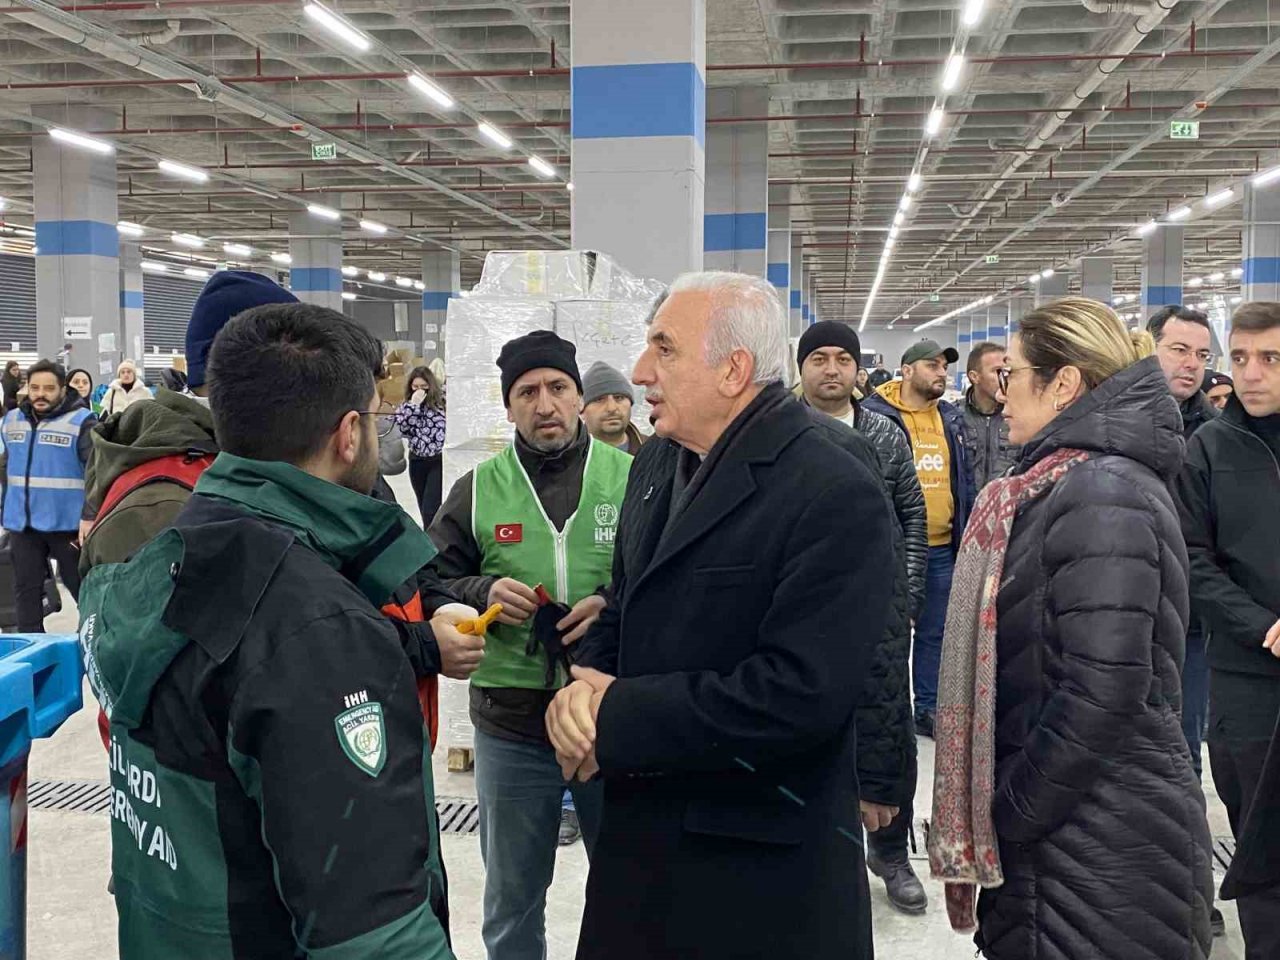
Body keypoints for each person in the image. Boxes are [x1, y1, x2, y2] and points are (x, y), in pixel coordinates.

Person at [77, 303, 457, 959]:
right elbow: (372, 934)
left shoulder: (162, 565)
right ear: (347, 435)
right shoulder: (312, 628)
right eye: (371, 416)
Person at [550, 272, 894, 960]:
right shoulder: (657, 465)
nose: (642, 371)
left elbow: (802, 692)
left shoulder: (830, 484)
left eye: (665, 349)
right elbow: (628, 596)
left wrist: (617, 718)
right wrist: (582, 692)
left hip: (754, 868)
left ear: (734, 370)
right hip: (643, 844)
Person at [929, 296, 1212, 960]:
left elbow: (1102, 691)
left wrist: (1013, 816)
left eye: (1013, 376)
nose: (1000, 398)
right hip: (1084, 827)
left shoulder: (1100, 490)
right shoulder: (1061, 484)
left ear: (1064, 384)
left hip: (1100, 840)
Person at [427, 329, 631, 960]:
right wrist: (482, 588)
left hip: (612, 719)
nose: (545, 404)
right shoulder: (480, 487)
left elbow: (673, 580)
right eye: (527, 392)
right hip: (511, 727)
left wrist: (613, 605)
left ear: (578, 396)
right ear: (507, 405)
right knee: (513, 901)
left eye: (557, 388)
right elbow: (427, 580)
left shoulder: (634, 477)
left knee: (629, 893)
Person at [796, 320, 928, 914]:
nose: (831, 369)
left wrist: (906, 595)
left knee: (887, 729)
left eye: (842, 359)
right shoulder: (782, 433)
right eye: (818, 358)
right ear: (801, 369)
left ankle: (891, 851)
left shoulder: (885, 434)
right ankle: (827, 852)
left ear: (857, 369)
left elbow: (912, 518)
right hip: (805, 614)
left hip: (881, 611)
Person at [1176, 300, 1280, 959]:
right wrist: (1264, 627)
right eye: (1238, 358)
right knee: (1262, 848)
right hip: (1247, 684)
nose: (1251, 373)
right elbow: (1190, 560)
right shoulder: (1207, 449)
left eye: (1270, 358)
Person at [864, 339, 976, 737]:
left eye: (944, 367)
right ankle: (885, 712)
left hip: (943, 545)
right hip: (893, 548)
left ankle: (926, 707)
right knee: (888, 634)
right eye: (932, 365)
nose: (941, 373)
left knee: (935, 634)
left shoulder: (950, 418)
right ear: (907, 369)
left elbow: (962, 479)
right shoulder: (877, 415)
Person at [0, 360, 96, 631]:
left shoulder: (81, 422)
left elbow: (96, 474)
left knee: (84, 591)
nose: (40, 394)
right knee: (25, 594)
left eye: (48, 388)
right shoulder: (11, 421)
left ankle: (96, 645)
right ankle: (32, 653)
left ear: (62, 389)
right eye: (35, 388)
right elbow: (7, 467)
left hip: (68, 526)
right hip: (23, 524)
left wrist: (90, 516)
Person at [960, 341, 1020, 489]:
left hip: (1005, 506)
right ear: (975, 377)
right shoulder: (954, 417)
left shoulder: (1018, 418)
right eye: (997, 371)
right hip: (966, 508)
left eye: (1007, 372)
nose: (1004, 378)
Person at [393, 366, 447, 525]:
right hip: (417, 460)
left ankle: (435, 543)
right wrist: (413, 406)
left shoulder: (442, 403)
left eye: (424, 387)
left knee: (431, 508)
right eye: (415, 386)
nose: (420, 390)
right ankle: (430, 539)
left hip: (437, 460)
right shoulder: (407, 406)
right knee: (423, 506)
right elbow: (402, 428)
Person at [580, 361, 645, 455]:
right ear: (581, 410)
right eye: (599, 400)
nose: (611, 408)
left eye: (619, 398)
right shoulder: (564, 457)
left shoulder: (656, 451)